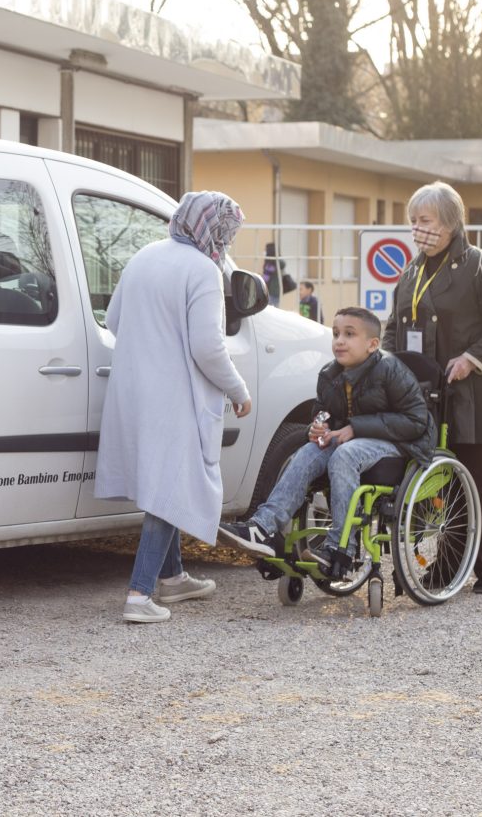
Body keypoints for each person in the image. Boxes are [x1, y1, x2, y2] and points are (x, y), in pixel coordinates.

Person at [95, 191, 252, 623]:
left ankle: (174, 577)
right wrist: (239, 390)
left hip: (133, 390)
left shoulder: (145, 255)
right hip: (174, 396)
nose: (227, 241)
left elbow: (113, 320)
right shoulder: (204, 269)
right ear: (212, 229)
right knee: (171, 488)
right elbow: (208, 347)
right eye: (226, 232)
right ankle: (139, 595)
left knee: (166, 480)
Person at [380, 181, 482, 595]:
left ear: (449, 222)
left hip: (475, 391)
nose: (417, 228)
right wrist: (388, 364)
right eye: (413, 220)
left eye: (425, 220)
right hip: (428, 393)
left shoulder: (479, 266)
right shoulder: (412, 271)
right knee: (441, 483)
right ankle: (447, 567)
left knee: (479, 479)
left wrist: (471, 358)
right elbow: (393, 327)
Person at [218, 307, 434, 574]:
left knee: (345, 454)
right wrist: (317, 428)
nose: (339, 341)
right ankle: (263, 528)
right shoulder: (329, 374)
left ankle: (341, 548)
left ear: (372, 345)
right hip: (352, 440)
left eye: (349, 334)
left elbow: (416, 421)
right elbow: (324, 413)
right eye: (335, 334)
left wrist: (355, 428)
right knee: (309, 451)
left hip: (400, 444)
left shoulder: (391, 370)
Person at [262, 243, 288, 307]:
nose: (264, 251)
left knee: (272, 308)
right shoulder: (269, 261)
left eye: (266, 249)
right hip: (267, 290)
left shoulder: (278, 262)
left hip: (274, 291)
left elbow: (283, 264)